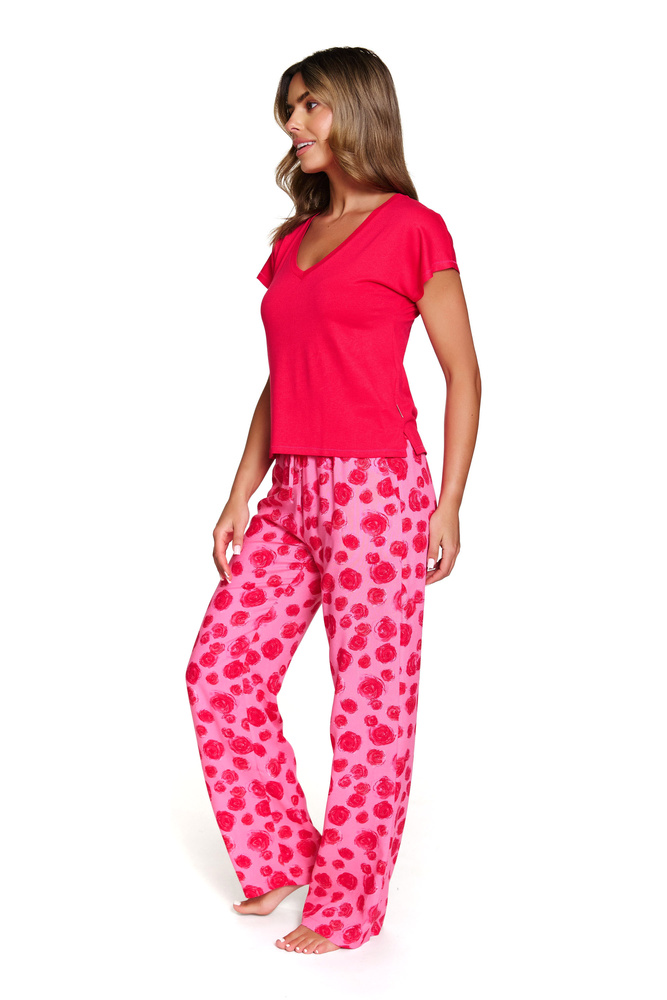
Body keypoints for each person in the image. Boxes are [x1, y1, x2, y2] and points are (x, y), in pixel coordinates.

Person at [184, 45, 481, 955]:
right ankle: (281, 857)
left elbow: (463, 376)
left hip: (377, 491)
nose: (293, 123)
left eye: (310, 105)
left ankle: (347, 906)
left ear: (357, 109)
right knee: (220, 672)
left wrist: (448, 504)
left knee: (368, 705)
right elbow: (283, 377)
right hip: (292, 489)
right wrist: (240, 492)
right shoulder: (290, 244)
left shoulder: (414, 229)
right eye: (289, 107)